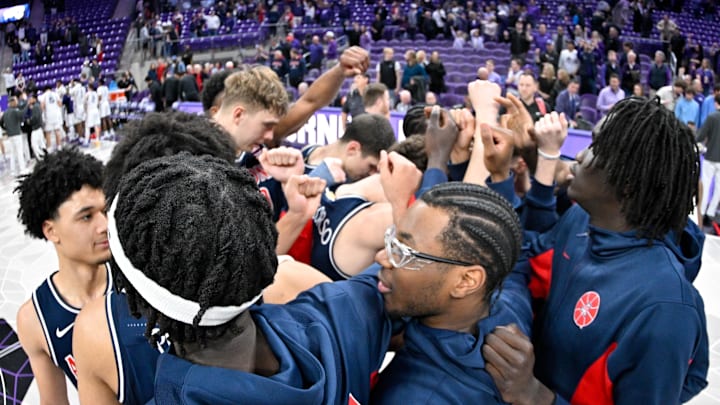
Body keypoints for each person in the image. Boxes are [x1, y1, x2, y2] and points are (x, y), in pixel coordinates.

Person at [483, 97, 709, 404]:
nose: (580, 154)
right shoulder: (580, 220)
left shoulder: (665, 307)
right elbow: (525, 259)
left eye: (597, 147)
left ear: (627, 182)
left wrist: (536, 395)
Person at [15, 148, 111, 404]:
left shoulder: (137, 279)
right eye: (87, 216)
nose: (104, 225)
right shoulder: (36, 319)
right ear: (51, 230)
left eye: (105, 211)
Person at [697, 95, 720, 228]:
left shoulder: (712, 117)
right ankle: (711, 214)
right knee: (719, 188)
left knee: (705, 186)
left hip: (710, 156)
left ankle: (702, 211)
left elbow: (700, 136)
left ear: (716, 103)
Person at [2, 96, 30, 175]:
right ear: (12, 103)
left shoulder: (5, 113)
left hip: (10, 135)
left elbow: (1, 122)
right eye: (15, 102)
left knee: (12, 153)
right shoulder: (14, 111)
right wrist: (26, 105)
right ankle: (22, 169)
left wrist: (6, 129)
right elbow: (22, 114)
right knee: (19, 152)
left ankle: (13, 171)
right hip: (16, 134)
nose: (16, 103)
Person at [40, 86, 64, 151]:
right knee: (57, 131)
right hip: (56, 115)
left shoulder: (43, 96)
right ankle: (59, 146)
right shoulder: (55, 94)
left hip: (48, 116)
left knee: (48, 132)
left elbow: (42, 107)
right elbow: (60, 104)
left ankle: (49, 148)